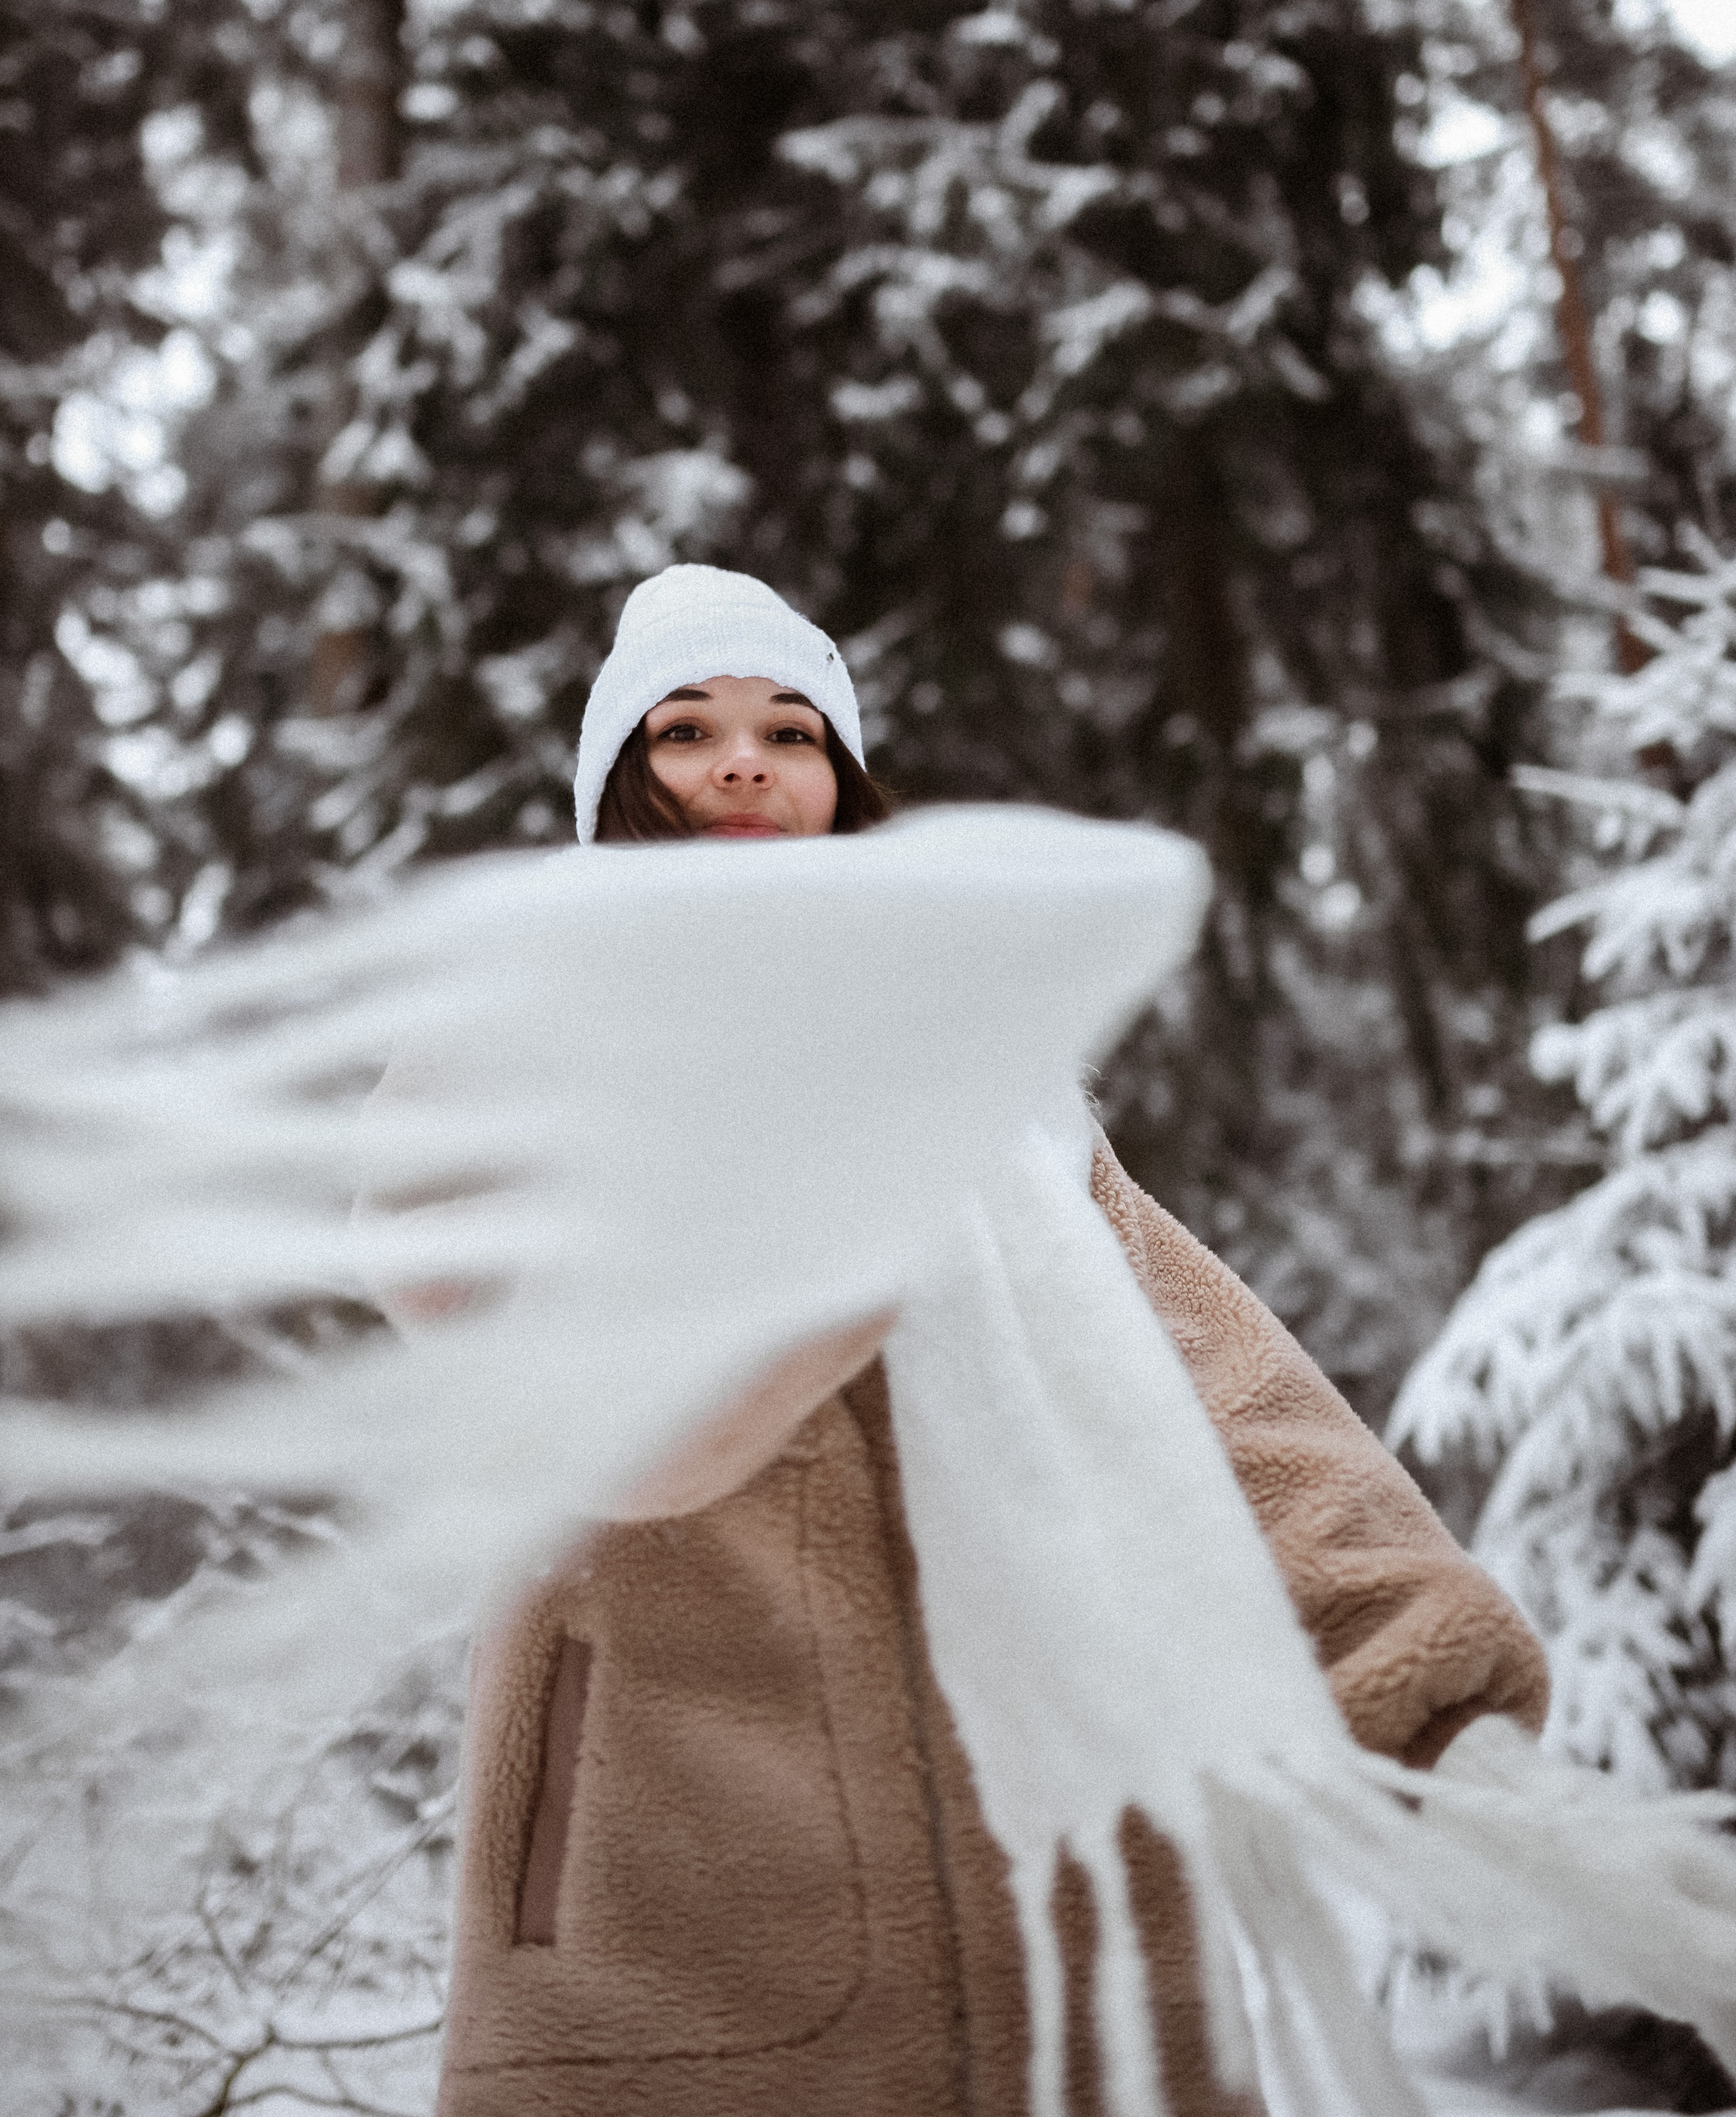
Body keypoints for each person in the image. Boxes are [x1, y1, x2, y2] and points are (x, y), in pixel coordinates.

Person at [431, 563, 1549, 2117]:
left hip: (1064, 1915)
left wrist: (1425, 1676)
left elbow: (1227, 1396)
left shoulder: (992, 1098)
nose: (742, 762)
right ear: (619, 779)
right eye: (684, 732)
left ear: (841, 781)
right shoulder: (530, 1040)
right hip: (678, 1893)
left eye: (788, 732)